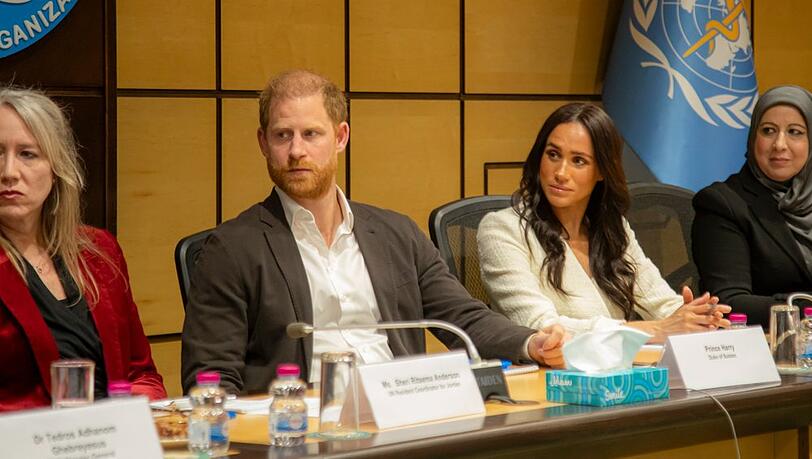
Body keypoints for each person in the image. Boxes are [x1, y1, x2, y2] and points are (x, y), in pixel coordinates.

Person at [181, 70, 566, 394]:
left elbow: (461, 318)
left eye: (311, 134)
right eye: (283, 135)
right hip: (304, 428)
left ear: (341, 137)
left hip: (403, 411)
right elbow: (210, 378)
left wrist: (531, 343)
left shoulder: (396, 233)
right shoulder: (231, 249)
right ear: (263, 143)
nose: (296, 150)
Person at [477, 103, 729, 341]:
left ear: (601, 171)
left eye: (578, 161)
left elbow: (660, 303)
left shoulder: (612, 228)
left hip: (619, 372)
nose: (561, 173)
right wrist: (654, 330)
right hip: (553, 377)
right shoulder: (502, 230)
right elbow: (541, 326)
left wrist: (697, 316)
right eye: (553, 154)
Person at [0, 88, 166, 411]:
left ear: (55, 168)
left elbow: (141, 373)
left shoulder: (99, 251)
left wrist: (127, 417)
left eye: (27, 154)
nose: (8, 172)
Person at [692, 85, 812, 328]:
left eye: (795, 132)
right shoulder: (722, 203)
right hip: (765, 349)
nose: (780, 144)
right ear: (753, 137)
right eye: (768, 131)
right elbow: (728, 303)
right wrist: (803, 308)